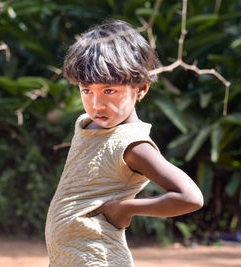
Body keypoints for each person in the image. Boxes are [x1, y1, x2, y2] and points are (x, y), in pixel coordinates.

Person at [45, 19, 204, 267]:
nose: (97, 104)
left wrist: (125, 208)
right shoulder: (87, 124)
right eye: (86, 90)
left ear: (140, 88)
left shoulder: (133, 145)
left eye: (110, 91)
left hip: (99, 259)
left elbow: (190, 197)